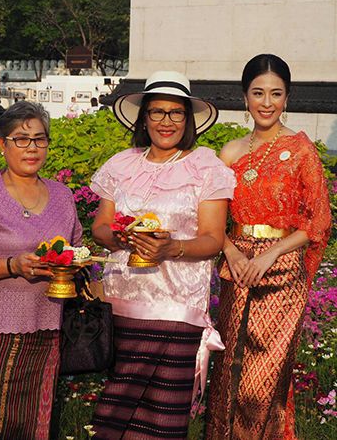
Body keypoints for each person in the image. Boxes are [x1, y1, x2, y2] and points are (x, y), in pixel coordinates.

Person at [88, 70, 235, 439]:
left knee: (163, 418)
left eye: (175, 113)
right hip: (123, 305)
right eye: (157, 112)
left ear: (187, 119)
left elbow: (213, 238)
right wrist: (119, 237)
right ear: (144, 117)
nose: (166, 122)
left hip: (177, 309)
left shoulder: (206, 168)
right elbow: (100, 226)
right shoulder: (122, 164)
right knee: (115, 415)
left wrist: (172, 247)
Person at [206, 54, 331, 439]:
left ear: (287, 98)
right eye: (258, 92)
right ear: (244, 97)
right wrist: (231, 251)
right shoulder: (229, 152)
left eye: (276, 93)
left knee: (263, 383)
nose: (266, 102)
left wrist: (272, 252)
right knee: (229, 371)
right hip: (237, 269)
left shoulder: (302, 150)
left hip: (282, 273)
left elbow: (317, 222)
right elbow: (212, 220)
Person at [0, 101, 82, 439]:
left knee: (33, 420)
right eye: (21, 139)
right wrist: (13, 265)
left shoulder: (62, 196)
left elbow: (77, 250)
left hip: (48, 321)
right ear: (2, 144)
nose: (32, 148)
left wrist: (75, 264)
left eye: (40, 139)